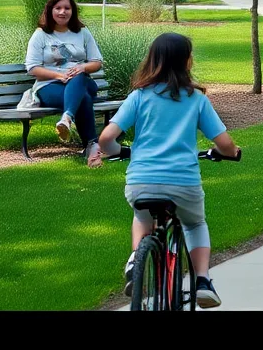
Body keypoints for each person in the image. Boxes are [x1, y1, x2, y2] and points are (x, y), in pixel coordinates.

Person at [89, 32, 239, 309]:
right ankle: (203, 281)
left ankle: (137, 257)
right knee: (195, 223)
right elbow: (225, 144)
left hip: (141, 181)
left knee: (142, 216)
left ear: (152, 60)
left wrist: (118, 152)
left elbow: (106, 138)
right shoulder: (196, 100)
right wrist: (229, 153)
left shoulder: (139, 97)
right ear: (187, 62)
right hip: (183, 183)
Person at [24, 0, 105, 159]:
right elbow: (32, 68)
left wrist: (83, 68)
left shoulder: (82, 33)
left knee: (79, 76)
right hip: (49, 86)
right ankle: (91, 146)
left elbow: (96, 62)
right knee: (84, 98)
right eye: (58, 8)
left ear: (73, 11)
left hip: (81, 81)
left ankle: (67, 117)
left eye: (67, 8)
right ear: (50, 10)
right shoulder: (41, 35)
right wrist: (59, 76)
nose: (62, 12)